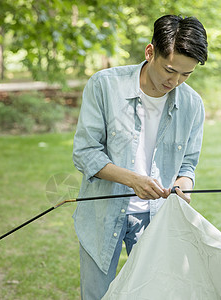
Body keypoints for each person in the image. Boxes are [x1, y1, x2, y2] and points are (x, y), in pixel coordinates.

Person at [72, 14, 208, 299]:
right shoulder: (104, 86)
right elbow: (85, 152)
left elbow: (188, 165)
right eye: (170, 69)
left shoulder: (193, 105)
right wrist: (133, 180)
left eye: (186, 74)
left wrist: (183, 187)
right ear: (150, 52)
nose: (176, 81)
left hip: (156, 220)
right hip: (102, 214)